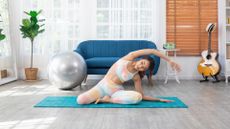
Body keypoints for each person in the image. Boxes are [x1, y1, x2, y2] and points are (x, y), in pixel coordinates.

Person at [77, 49, 181, 104]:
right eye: (143, 63)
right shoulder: (128, 57)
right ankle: (105, 97)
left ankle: (108, 100)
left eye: (144, 68)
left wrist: (158, 100)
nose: (141, 66)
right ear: (140, 59)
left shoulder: (136, 77)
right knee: (81, 100)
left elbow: (142, 95)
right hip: (102, 86)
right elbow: (152, 51)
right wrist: (170, 60)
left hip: (115, 92)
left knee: (137, 97)